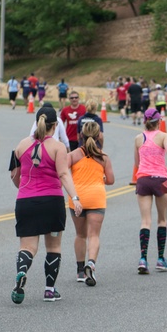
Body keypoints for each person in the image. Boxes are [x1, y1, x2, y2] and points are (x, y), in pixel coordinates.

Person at [9, 106, 83, 303]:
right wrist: (75, 198)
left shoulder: (21, 145)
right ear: (55, 125)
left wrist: (24, 186)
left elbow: (15, 177)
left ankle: (22, 271)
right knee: (54, 246)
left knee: (27, 246)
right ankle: (49, 289)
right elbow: (64, 174)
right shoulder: (58, 147)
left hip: (25, 201)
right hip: (52, 202)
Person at [67, 120, 114, 286]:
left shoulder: (72, 155)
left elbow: (63, 175)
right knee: (94, 235)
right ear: (98, 136)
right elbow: (111, 180)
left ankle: (80, 270)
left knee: (80, 235)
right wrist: (101, 178)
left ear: (80, 135)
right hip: (96, 197)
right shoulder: (103, 157)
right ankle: (91, 264)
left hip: (77, 198)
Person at [134, 108, 167, 274]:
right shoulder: (164, 136)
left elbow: (137, 162)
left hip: (143, 178)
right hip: (160, 179)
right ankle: (160, 258)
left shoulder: (138, 138)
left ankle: (143, 259)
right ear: (159, 121)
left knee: (145, 221)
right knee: (162, 219)